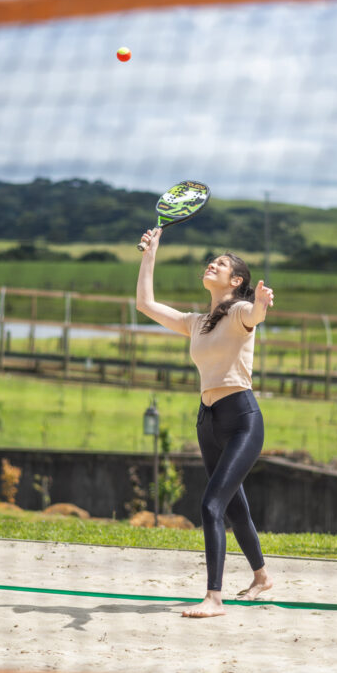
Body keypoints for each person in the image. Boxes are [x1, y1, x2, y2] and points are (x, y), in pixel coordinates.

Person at [136, 226, 274, 618]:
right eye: (212, 260)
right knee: (233, 507)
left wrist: (261, 304)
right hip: (208, 421)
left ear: (236, 281)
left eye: (222, 264)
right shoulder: (197, 321)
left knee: (211, 504)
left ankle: (214, 598)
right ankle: (262, 577)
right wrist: (150, 254)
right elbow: (145, 304)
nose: (212, 264)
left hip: (242, 420)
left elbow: (255, 315)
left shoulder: (239, 313)